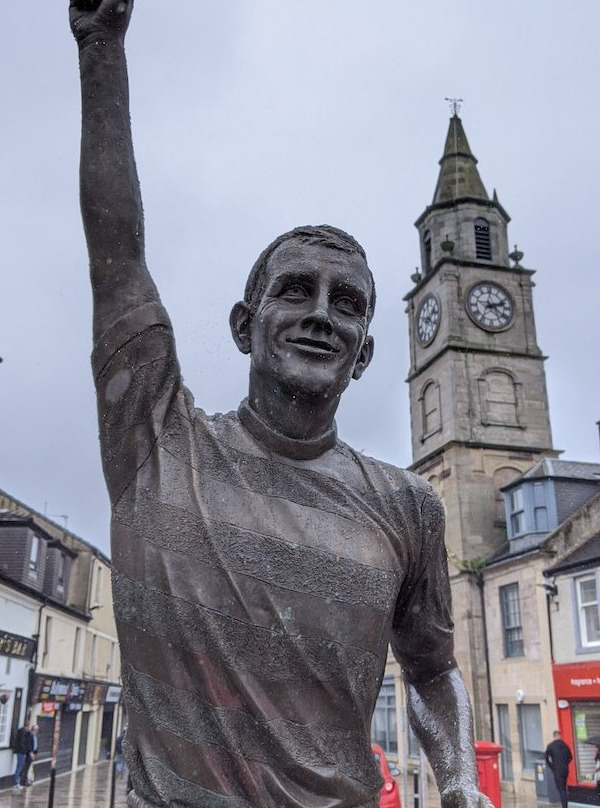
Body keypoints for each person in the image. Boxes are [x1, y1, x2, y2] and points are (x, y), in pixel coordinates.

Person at [69, 2, 494, 807]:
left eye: (346, 303)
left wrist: (458, 780)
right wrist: (101, 47)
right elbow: (114, 251)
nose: (320, 314)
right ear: (244, 325)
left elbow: (433, 670)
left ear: (363, 353)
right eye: (295, 290)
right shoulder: (158, 444)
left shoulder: (407, 507)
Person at [544, 731, 572, 808]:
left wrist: (552, 766)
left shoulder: (550, 746)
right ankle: (565, 804)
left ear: (554, 736)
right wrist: (565, 763)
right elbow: (570, 757)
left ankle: (564, 806)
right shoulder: (565, 745)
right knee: (564, 788)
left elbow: (546, 758)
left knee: (561, 790)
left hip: (557, 770)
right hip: (565, 770)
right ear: (560, 736)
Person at [12, 720, 31, 790]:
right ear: (27, 725)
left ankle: (17, 782)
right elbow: (22, 743)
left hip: (22, 752)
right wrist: (24, 751)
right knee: (19, 767)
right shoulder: (22, 732)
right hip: (21, 752)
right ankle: (15, 783)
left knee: (20, 766)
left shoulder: (25, 732)